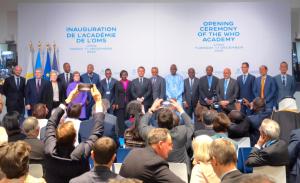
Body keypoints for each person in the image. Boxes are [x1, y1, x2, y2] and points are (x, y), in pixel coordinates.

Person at [44, 84, 104, 183]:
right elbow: (97, 131)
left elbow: (51, 122)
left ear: (57, 136)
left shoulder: (49, 149)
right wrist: (98, 101)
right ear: (75, 138)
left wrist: (68, 100)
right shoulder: (81, 152)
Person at [139, 99, 194, 173]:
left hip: (159, 173)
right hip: (181, 173)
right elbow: (190, 125)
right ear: (172, 121)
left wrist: (151, 110)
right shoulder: (182, 131)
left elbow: (142, 125)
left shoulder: (151, 133)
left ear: (157, 122)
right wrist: (181, 110)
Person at [119, 128, 184, 183]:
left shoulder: (134, 152)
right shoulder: (154, 163)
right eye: (169, 144)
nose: (171, 149)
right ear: (160, 144)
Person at [114, 70, 132, 136]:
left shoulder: (130, 82)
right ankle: (121, 134)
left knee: (128, 119)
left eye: (125, 74)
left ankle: (128, 133)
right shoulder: (117, 83)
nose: (124, 76)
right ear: (120, 75)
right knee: (120, 120)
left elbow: (131, 93)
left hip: (128, 104)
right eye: (123, 74)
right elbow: (116, 94)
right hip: (120, 104)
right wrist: (116, 103)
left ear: (127, 75)